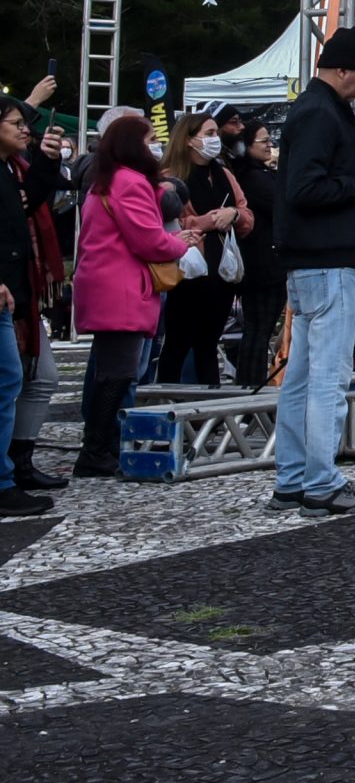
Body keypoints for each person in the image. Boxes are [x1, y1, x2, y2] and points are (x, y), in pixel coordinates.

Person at [271, 27, 355, 515]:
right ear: (342, 69)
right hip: (329, 261)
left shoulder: (315, 110)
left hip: (313, 261)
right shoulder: (321, 113)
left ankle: (292, 478)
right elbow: (304, 191)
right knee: (327, 378)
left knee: (304, 379)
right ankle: (322, 482)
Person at [71, 113, 199, 479]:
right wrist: (180, 242)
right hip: (121, 287)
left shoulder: (107, 180)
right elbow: (148, 239)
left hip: (107, 283)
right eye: (148, 140)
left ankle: (99, 445)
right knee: (119, 373)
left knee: (111, 370)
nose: (155, 146)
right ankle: (97, 449)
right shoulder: (130, 182)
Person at [1, 93, 67, 509]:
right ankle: (6, 479)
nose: (26, 129)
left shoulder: (15, 170)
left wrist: (45, 161)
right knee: (10, 378)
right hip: (9, 289)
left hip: (17, 290)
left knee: (25, 378)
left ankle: (14, 469)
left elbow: (34, 198)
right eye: (16, 123)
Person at [158, 112, 250, 387]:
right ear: (188, 140)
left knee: (208, 343)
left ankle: (208, 409)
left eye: (215, 133)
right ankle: (169, 400)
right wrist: (208, 221)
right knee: (178, 340)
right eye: (208, 134)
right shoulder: (170, 176)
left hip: (222, 270)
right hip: (189, 269)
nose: (215, 139)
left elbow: (247, 213)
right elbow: (166, 221)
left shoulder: (223, 173)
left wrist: (233, 214)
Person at [230, 122, 284, 388]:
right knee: (258, 329)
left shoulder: (258, 174)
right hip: (262, 263)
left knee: (259, 329)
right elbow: (281, 206)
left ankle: (250, 384)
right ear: (247, 146)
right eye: (262, 140)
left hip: (265, 261)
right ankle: (249, 385)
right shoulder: (253, 178)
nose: (269, 144)